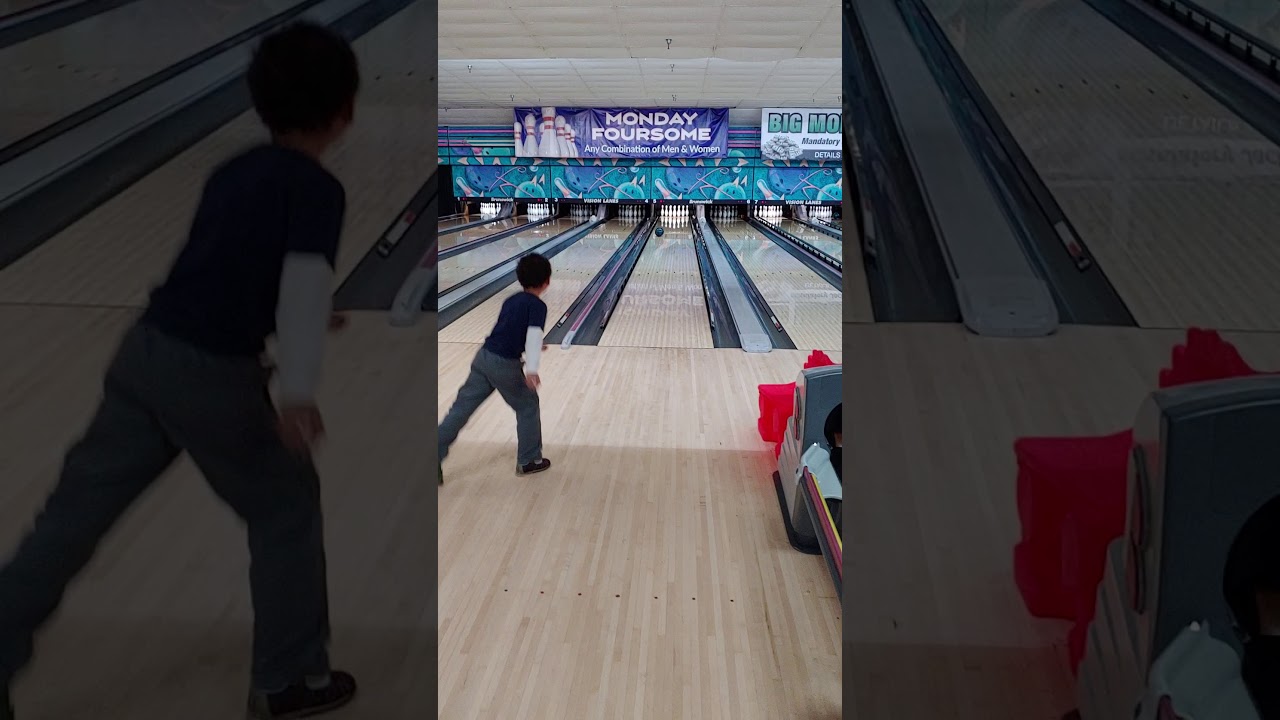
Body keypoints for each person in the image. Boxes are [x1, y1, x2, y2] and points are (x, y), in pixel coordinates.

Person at [0, 22, 360, 720]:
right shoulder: (317, 190)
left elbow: (226, 269)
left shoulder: (230, 170)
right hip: (212, 377)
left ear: (260, 104)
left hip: (145, 354)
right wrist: (297, 394)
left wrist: (297, 319)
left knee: (68, 521)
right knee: (286, 510)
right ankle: (288, 680)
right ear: (345, 110)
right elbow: (305, 284)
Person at [439, 254, 553, 482]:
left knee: (460, 410)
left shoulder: (511, 300)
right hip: (504, 364)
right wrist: (531, 370)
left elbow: (508, 330)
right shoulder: (537, 306)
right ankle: (529, 460)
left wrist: (532, 345)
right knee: (528, 406)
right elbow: (531, 336)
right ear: (546, 282)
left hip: (484, 357)